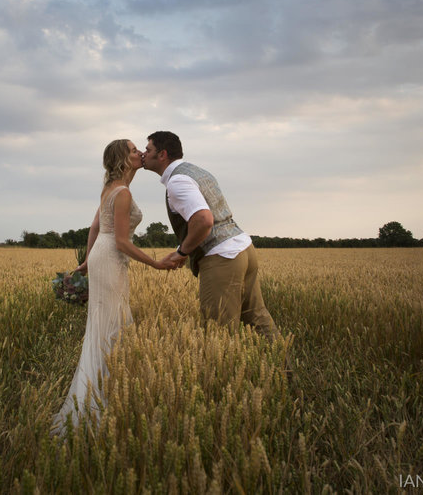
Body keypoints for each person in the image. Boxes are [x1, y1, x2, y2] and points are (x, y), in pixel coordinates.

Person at [53, 139, 177, 435]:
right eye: (134, 150)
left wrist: (86, 260)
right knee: (112, 323)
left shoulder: (111, 188)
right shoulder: (121, 192)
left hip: (102, 256)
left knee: (105, 322)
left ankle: (102, 391)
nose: (140, 154)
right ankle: (100, 399)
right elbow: (121, 241)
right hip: (110, 257)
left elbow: (95, 227)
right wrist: (156, 263)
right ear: (124, 159)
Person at [142, 131, 278, 340]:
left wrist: (182, 252)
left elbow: (204, 220)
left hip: (222, 257)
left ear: (162, 154)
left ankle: (224, 374)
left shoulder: (177, 182)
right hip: (243, 248)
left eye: (148, 149)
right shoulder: (196, 171)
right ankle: (285, 373)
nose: (144, 153)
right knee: (259, 319)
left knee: (219, 332)